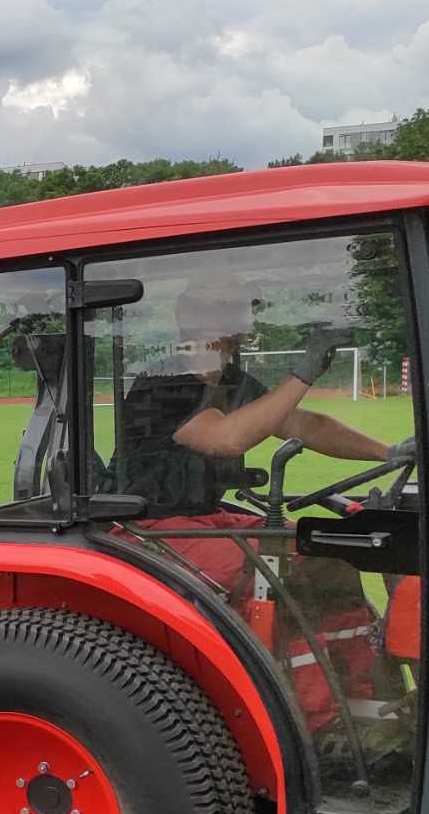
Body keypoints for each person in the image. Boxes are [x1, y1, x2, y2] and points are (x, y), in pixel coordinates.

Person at [117, 284, 405, 733]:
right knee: (277, 571)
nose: (243, 332)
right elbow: (224, 437)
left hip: (204, 516)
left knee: (329, 555)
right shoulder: (163, 383)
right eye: (235, 321)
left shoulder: (231, 379)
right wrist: (305, 371)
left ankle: (363, 697)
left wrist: (389, 453)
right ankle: (313, 721)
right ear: (204, 325)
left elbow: (303, 424)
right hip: (151, 525)